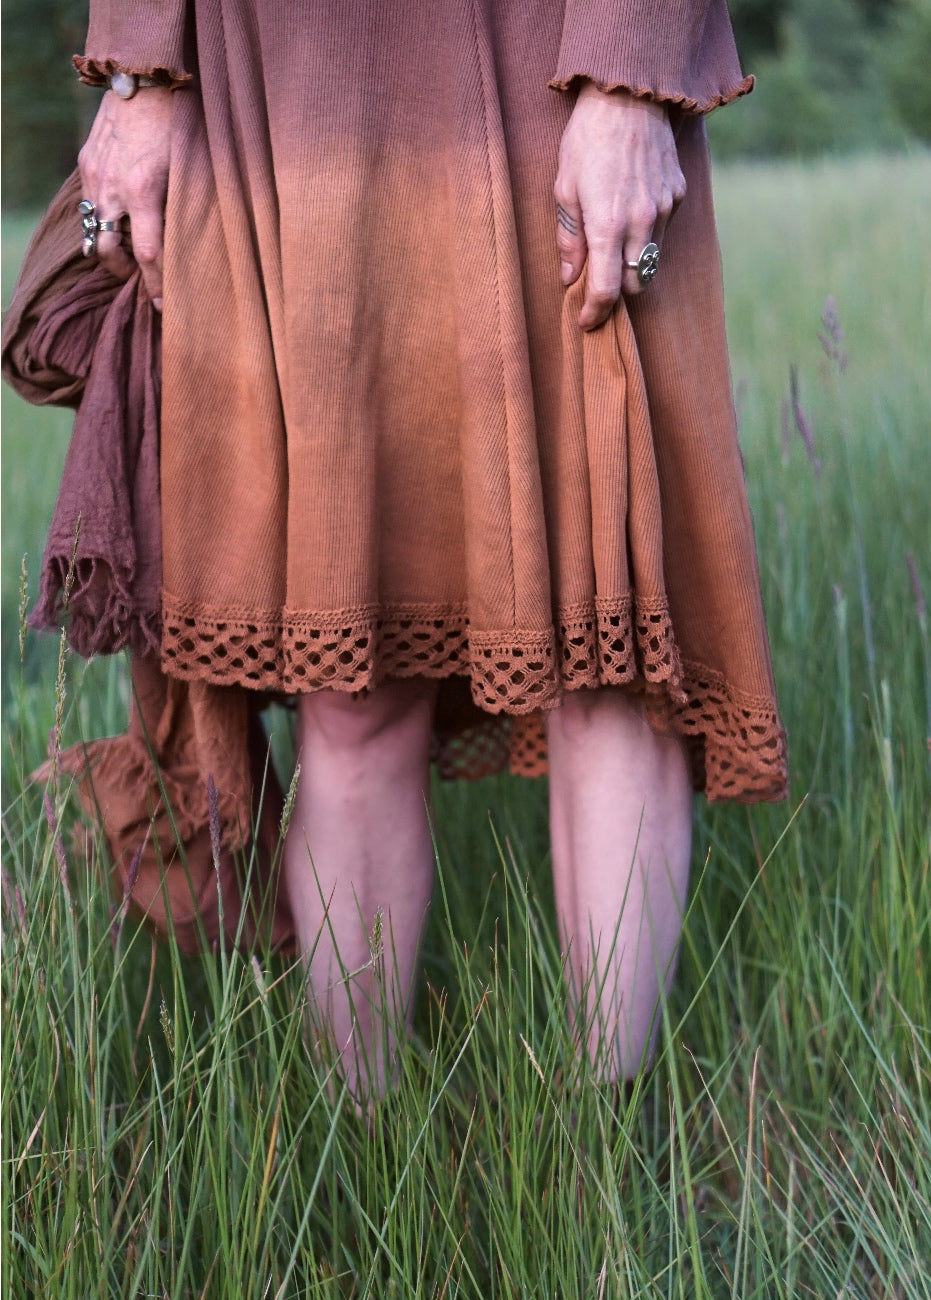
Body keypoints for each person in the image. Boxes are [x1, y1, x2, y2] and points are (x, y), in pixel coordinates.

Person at [60, 0, 787, 1097]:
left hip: (566, 60)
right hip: (293, 76)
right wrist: (141, 73)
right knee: (349, 672)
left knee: (608, 653)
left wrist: (632, 78)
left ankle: (600, 1156)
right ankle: (361, 1146)